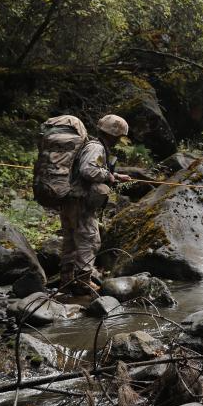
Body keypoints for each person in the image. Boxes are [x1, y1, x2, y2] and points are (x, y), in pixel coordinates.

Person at [60, 114, 132, 294]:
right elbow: (88, 170)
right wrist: (108, 176)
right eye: (119, 136)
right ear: (114, 135)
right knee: (89, 240)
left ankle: (66, 280)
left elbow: (87, 169)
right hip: (81, 203)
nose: (119, 140)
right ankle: (83, 281)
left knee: (71, 241)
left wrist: (116, 176)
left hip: (70, 200)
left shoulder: (90, 145)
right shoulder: (96, 148)